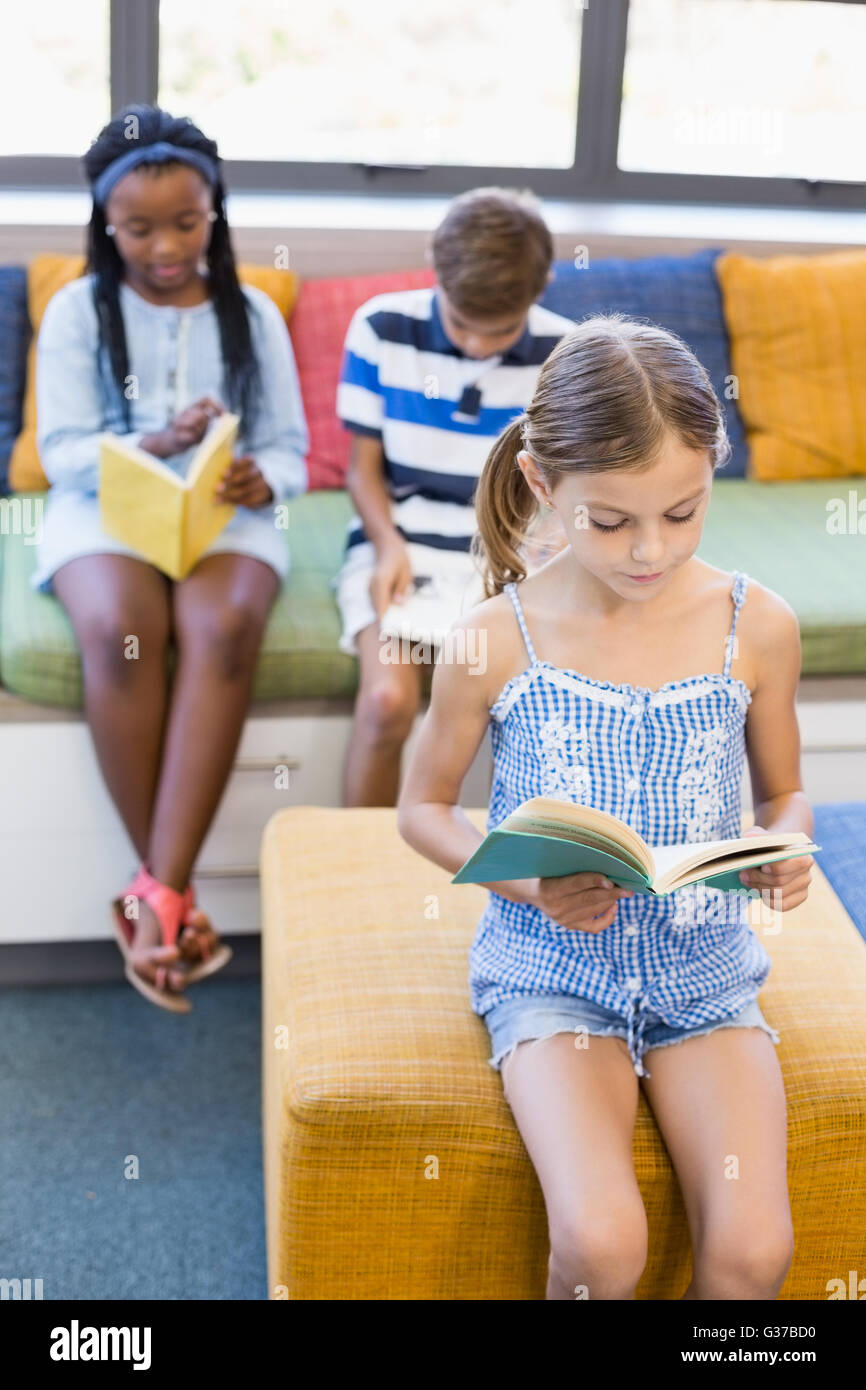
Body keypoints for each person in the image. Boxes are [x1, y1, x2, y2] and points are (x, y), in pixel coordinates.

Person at [398, 314, 815, 1300]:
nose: (647, 550)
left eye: (681, 512)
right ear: (544, 485)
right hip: (552, 970)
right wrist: (531, 882)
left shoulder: (756, 624)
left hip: (706, 968)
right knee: (600, 1243)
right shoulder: (490, 638)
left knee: (753, 1253)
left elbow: (785, 793)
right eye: (610, 520)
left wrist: (784, 847)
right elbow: (419, 809)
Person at [30, 105, 308, 1012]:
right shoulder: (78, 308)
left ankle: (154, 890)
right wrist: (153, 440)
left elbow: (292, 448)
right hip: (104, 510)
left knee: (221, 625)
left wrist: (265, 479)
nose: (164, 246)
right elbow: (62, 451)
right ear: (107, 223)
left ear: (214, 213)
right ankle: (170, 898)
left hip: (223, 518)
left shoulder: (254, 312)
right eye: (139, 227)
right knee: (120, 629)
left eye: (186, 223)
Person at [334, 186, 575, 806]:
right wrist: (388, 548)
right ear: (435, 271)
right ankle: (362, 867)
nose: (475, 347)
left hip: (515, 552)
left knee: (525, 715)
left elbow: (571, 482)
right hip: (402, 542)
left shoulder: (565, 353)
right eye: (462, 325)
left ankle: (515, 869)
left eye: (496, 332)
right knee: (386, 704)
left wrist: (547, 549)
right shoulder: (382, 329)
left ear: (541, 285)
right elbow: (362, 471)